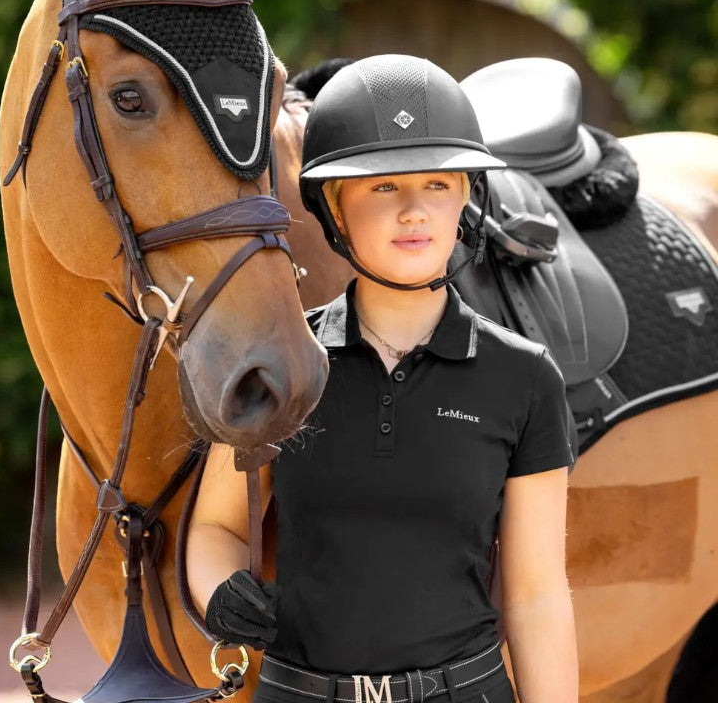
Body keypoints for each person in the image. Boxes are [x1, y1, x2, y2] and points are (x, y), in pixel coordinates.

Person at [187, 55, 578, 703]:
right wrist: (219, 588)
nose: (415, 212)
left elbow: (537, 594)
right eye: (384, 187)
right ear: (334, 207)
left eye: (437, 185)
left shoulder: (526, 378)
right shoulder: (274, 365)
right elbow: (215, 530)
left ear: (465, 199)